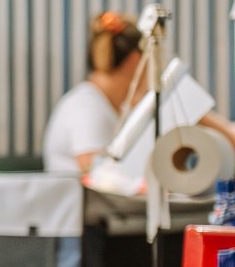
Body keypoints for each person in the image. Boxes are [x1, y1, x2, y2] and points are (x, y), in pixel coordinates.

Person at [42, 12, 235, 176]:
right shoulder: (87, 108)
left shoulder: (107, 104)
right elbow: (95, 175)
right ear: (137, 61)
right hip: (90, 217)